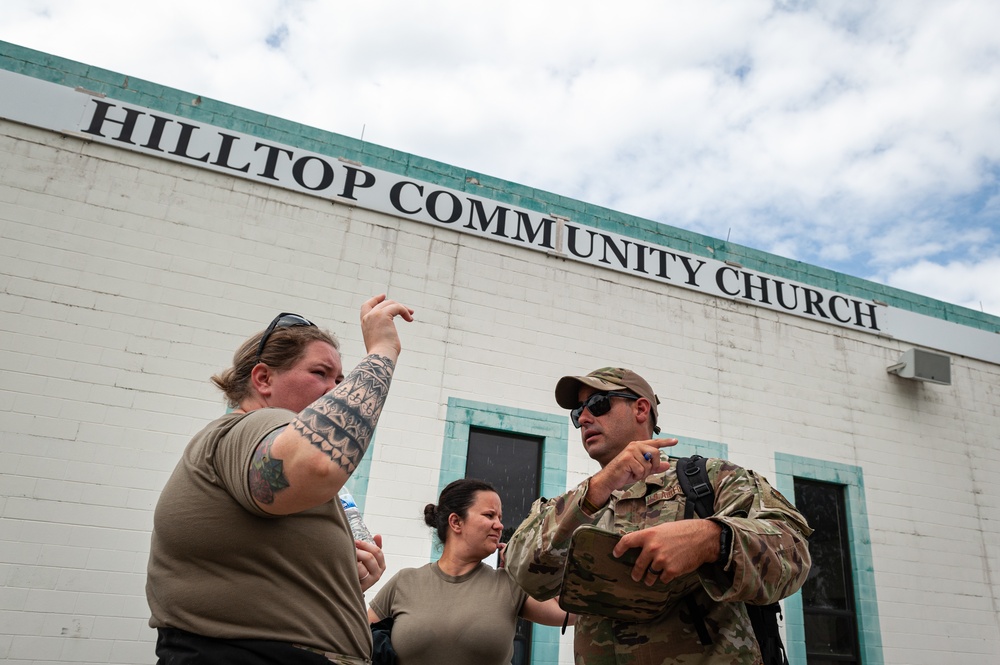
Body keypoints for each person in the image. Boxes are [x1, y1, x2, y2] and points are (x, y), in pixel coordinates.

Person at [146, 295, 413, 664]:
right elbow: (318, 462)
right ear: (263, 378)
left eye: (340, 378)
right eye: (320, 373)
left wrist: (336, 578)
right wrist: (382, 349)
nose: (336, 389)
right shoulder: (248, 428)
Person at [504, 367, 813, 664]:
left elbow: (793, 550)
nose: (584, 418)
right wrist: (597, 489)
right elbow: (524, 570)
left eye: (597, 404)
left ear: (641, 409)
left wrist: (712, 539)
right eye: (577, 413)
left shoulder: (710, 479)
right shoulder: (577, 506)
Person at [366, 478, 572, 665]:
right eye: (489, 515)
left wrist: (528, 566)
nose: (500, 525)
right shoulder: (405, 581)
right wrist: (355, 583)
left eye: (500, 517)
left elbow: (570, 614)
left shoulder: (510, 584)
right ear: (456, 522)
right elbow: (357, 640)